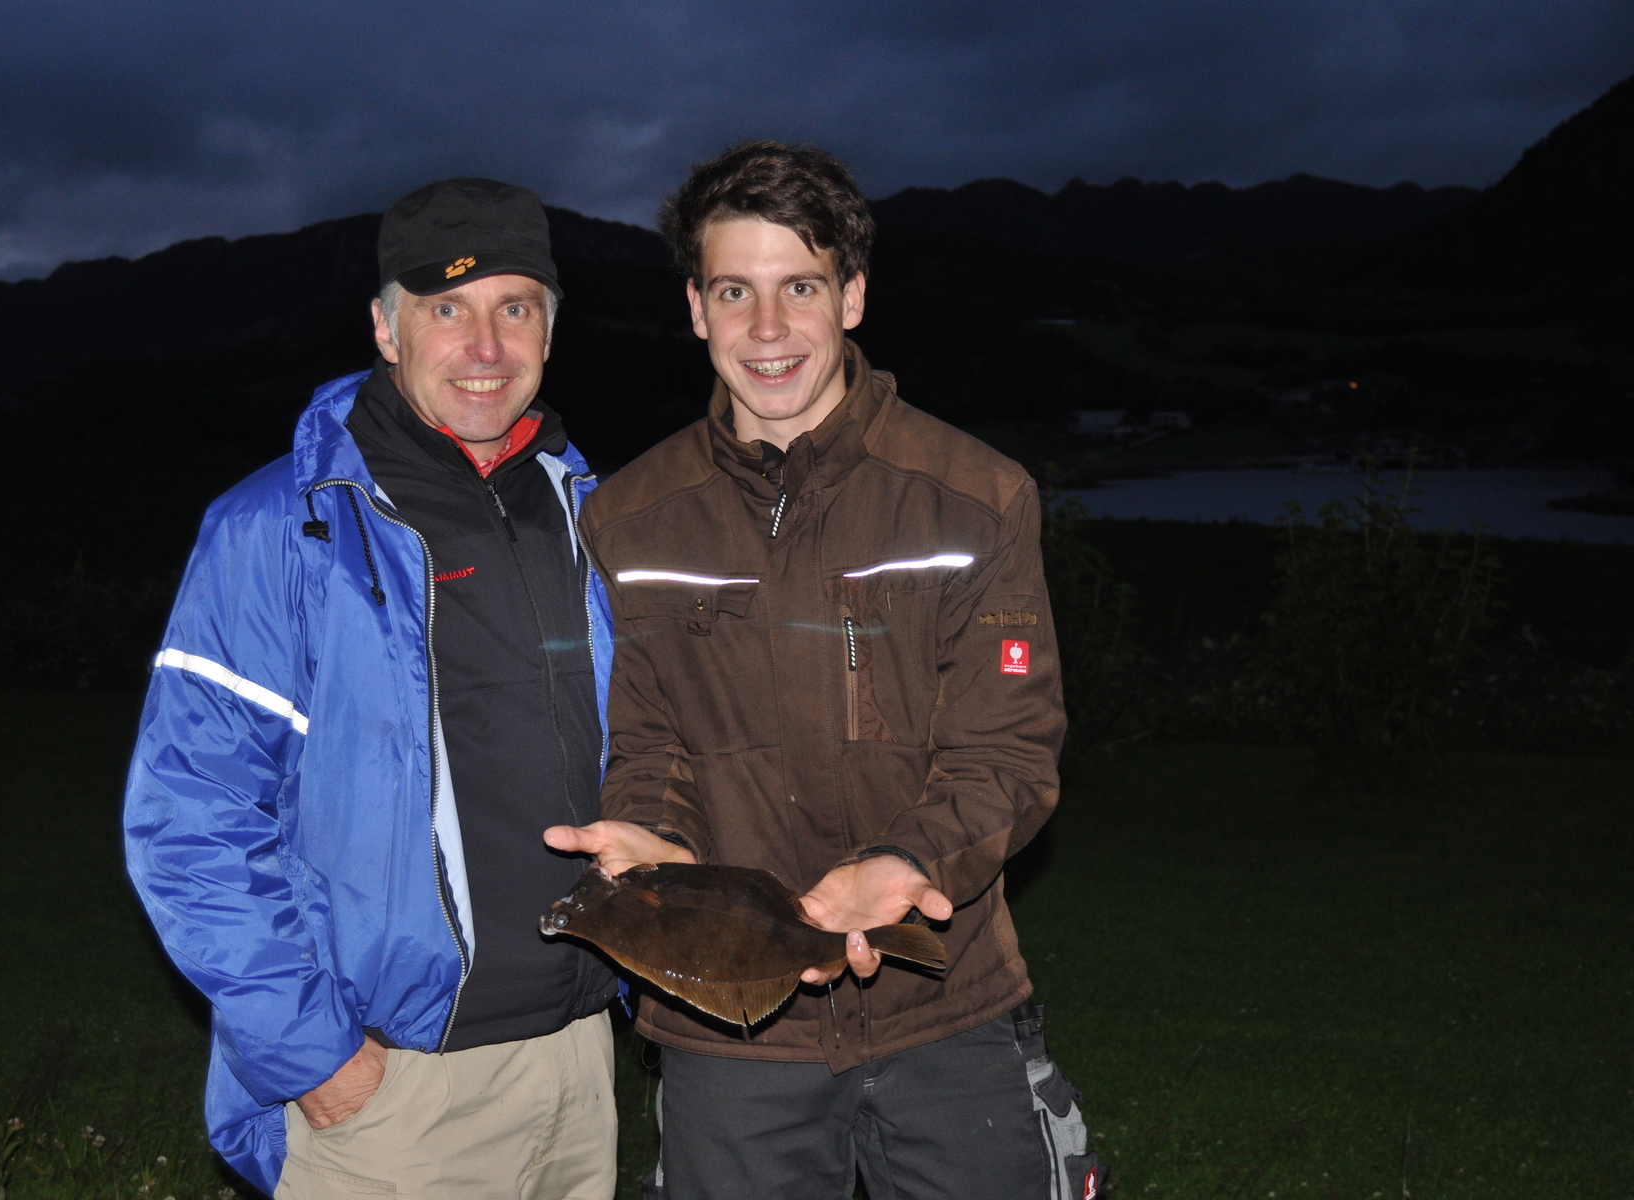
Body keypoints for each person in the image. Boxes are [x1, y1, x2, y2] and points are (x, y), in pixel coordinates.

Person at [547, 142, 1069, 1199]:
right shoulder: (629, 520)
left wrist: (905, 860)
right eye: (734, 291)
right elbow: (648, 743)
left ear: (853, 296)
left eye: (800, 287)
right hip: (728, 1019)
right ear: (696, 309)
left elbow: (1007, 753)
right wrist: (653, 843)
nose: (767, 328)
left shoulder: (976, 497)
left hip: (946, 1005)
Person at [124, 178, 622, 1199]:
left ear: (550, 329)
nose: (485, 346)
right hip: (394, 1087)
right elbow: (191, 816)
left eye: (515, 308)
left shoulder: (595, 516)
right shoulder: (283, 526)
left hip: (578, 1057)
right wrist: (316, 1058)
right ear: (386, 329)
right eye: (446, 309)